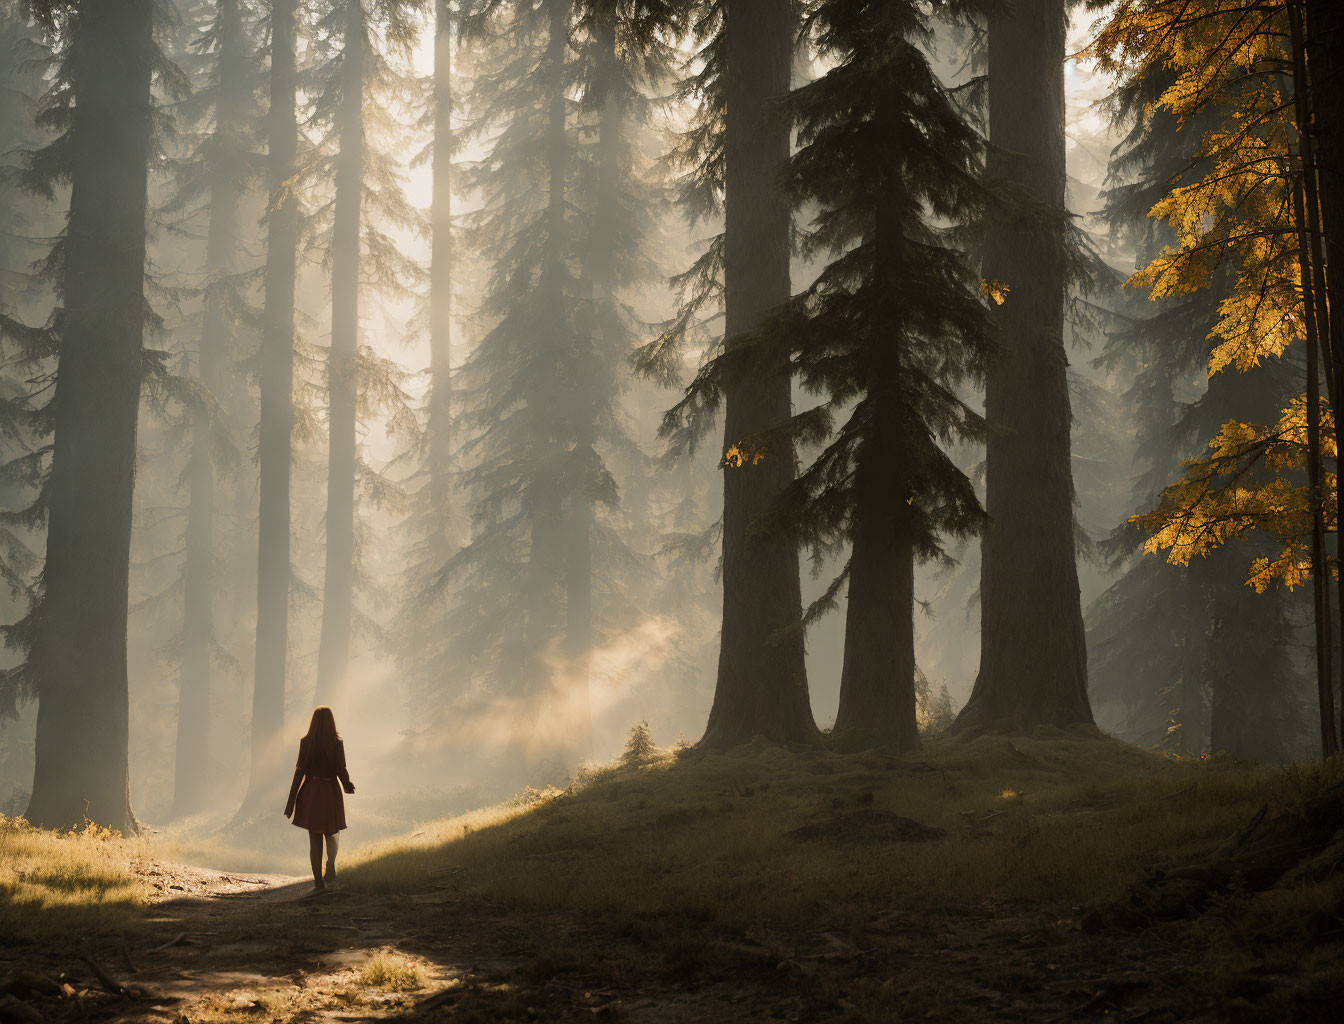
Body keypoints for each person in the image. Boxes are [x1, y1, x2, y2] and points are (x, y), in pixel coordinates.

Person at [284, 706, 356, 893]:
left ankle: (318, 882)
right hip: (331, 791)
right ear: (331, 721)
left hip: (311, 793)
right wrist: (347, 785)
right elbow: (341, 769)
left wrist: (290, 803)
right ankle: (330, 863)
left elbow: (299, 773)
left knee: (314, 839)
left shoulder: (306, 742)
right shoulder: (336, 742)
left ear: (313, 722)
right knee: (332, 833)